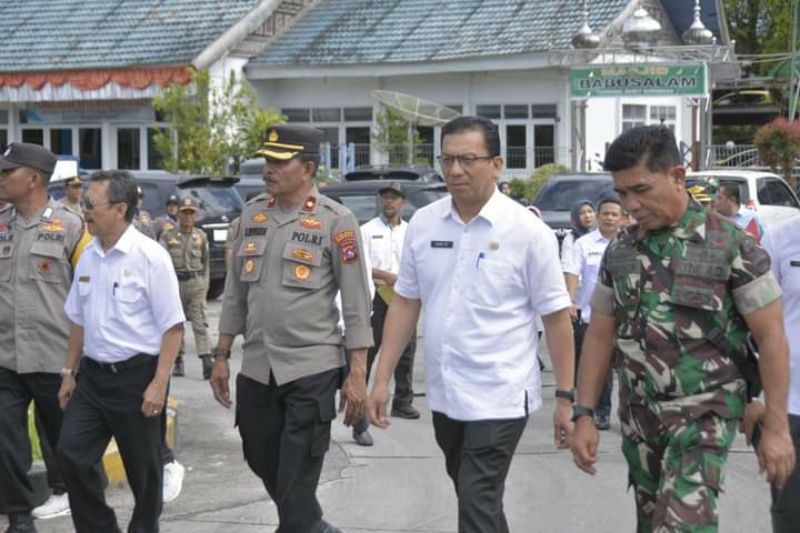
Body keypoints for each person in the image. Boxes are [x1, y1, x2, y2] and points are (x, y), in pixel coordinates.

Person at [570, 125, 795, 532]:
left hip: (706, 415)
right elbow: (600, 335)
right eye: (622, 193)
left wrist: (776, 426)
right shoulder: (619, 251)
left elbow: (771, 337)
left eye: (641, 189)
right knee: (651, 523)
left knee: (681, 526)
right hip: (640, 417)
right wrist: (584, 413)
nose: (631, 204)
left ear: (677, 175)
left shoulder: (732, 245)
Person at [368, 116, 576, 533]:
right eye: (447, 159)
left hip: (501, 393)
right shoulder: (425, 224)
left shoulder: (527, 231)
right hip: (447, 393)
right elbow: (406, 302)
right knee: (475, 497)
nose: (455, 170)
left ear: (497, 164)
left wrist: (567, 398)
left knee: (477, 499)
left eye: (468, 159)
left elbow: (556, 318)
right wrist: (381, 378)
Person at [211, 124, 372, 533]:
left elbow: (356, 303)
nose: (270, 168)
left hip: (312, 367)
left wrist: (357, 373)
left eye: (280, 162)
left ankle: (301, 524)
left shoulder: (338, 221)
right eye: (267, 160)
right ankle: (313, 526)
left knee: (298, 473)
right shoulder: (252, 214)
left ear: (308, 169)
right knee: (259, 455)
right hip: (257, 365)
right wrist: (221, 354)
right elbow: (235, 293)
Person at [57, 170, 185, 533]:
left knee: (144, 473)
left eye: (91, 203)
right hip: (93, 379)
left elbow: (173, 327)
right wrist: (68, 373)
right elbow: (78, 320)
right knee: (71, 454)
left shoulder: (150, 256)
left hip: (137, 378)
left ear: (120, 209)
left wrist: (159, 383)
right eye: (84, 203)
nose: (84, 210)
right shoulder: (88, 256)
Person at [0, 143, 88, 532]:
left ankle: (88, 513)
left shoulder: (72, 226)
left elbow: (89, 296)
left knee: (69, 448)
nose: (1, 178)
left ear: (33, 179)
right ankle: (20, 518)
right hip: (5, 357)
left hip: (55, 359)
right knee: (6, 444)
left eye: (8, 172)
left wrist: (79, 363)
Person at [352, 182, 418, 447]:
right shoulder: (367, 230)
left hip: (403, 296)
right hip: (377, 294)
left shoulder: (411, 231)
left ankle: (403, 401)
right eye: (385, 198)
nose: (389, 202)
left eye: (394, 198)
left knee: (407, 349)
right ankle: (359, 399)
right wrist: (384, 275)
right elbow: (359, 265)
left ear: (403, 202)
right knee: (370, 348)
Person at [564, 196, 622, 431]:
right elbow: (572, 272)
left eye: (614, 214)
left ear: (621, 218)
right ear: (598, 217)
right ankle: (601, 411)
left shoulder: (630, 244)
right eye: (605, 214)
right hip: (592, 316)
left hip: (626, 318)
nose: (609, 218)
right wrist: (570, 300)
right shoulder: (584, 244)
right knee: (601, 367)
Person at [759, 216, 800, 532]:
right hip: (790, 406)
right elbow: (753, 322)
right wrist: (753, 396)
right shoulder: (779, 238)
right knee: (790, 511)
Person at [159, 197, 212, 379]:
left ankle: (206, 360)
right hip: (175, 284)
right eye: (185, 212)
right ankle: (178, 360)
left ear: (195, 215)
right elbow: (162, 263)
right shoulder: (168, 236)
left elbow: (206, 263)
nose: (188, 216)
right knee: (176, 324)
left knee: (200, 322)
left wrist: (204, 286)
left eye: (191, 213)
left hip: (195, 283)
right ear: (178, 214)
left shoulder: (201, 236)